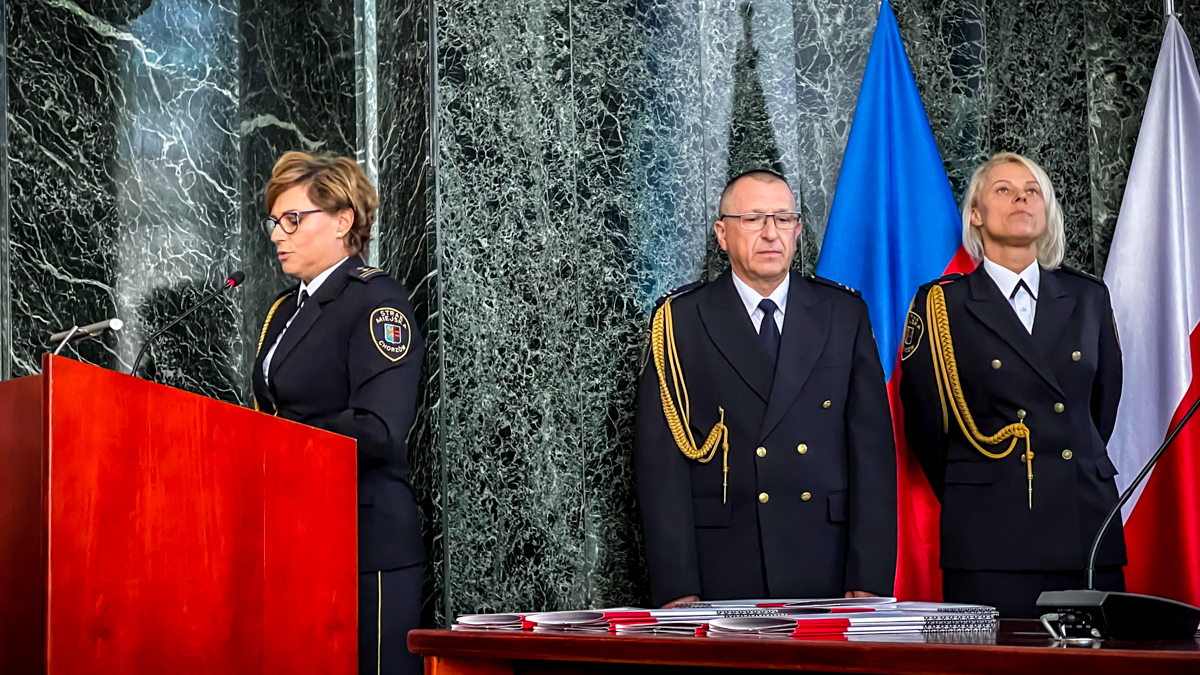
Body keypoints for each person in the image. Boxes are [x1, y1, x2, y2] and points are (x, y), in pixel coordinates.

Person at [634, 169, 897, 608]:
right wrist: (677, 584)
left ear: (798, 230)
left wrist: (869, 573)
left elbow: (873, 455)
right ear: (722, 234)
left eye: (784, 218)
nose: (771, 233)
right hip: (725, 560)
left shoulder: (843, 313)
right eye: (753, 219)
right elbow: (660, 465)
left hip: (825, 557)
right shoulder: (681, 320)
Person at [899, 152, 1126, 618]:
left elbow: (1101, 408)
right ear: (975, 215)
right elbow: (925, 423)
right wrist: (986, 481)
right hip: (989, 532)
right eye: (1004, 190)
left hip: (1084, 525)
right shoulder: (941, 305)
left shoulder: (1088, 297)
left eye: (1032, 191)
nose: (1021, 198)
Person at [253, 151, 424, 674]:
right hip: (298, 532)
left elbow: (379, 429)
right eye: (274, 222)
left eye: (293, 219)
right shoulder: (287, 308)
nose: (277, 235)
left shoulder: (375, 300)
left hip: (365, 541)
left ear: (342, 221)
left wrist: (278, 438)